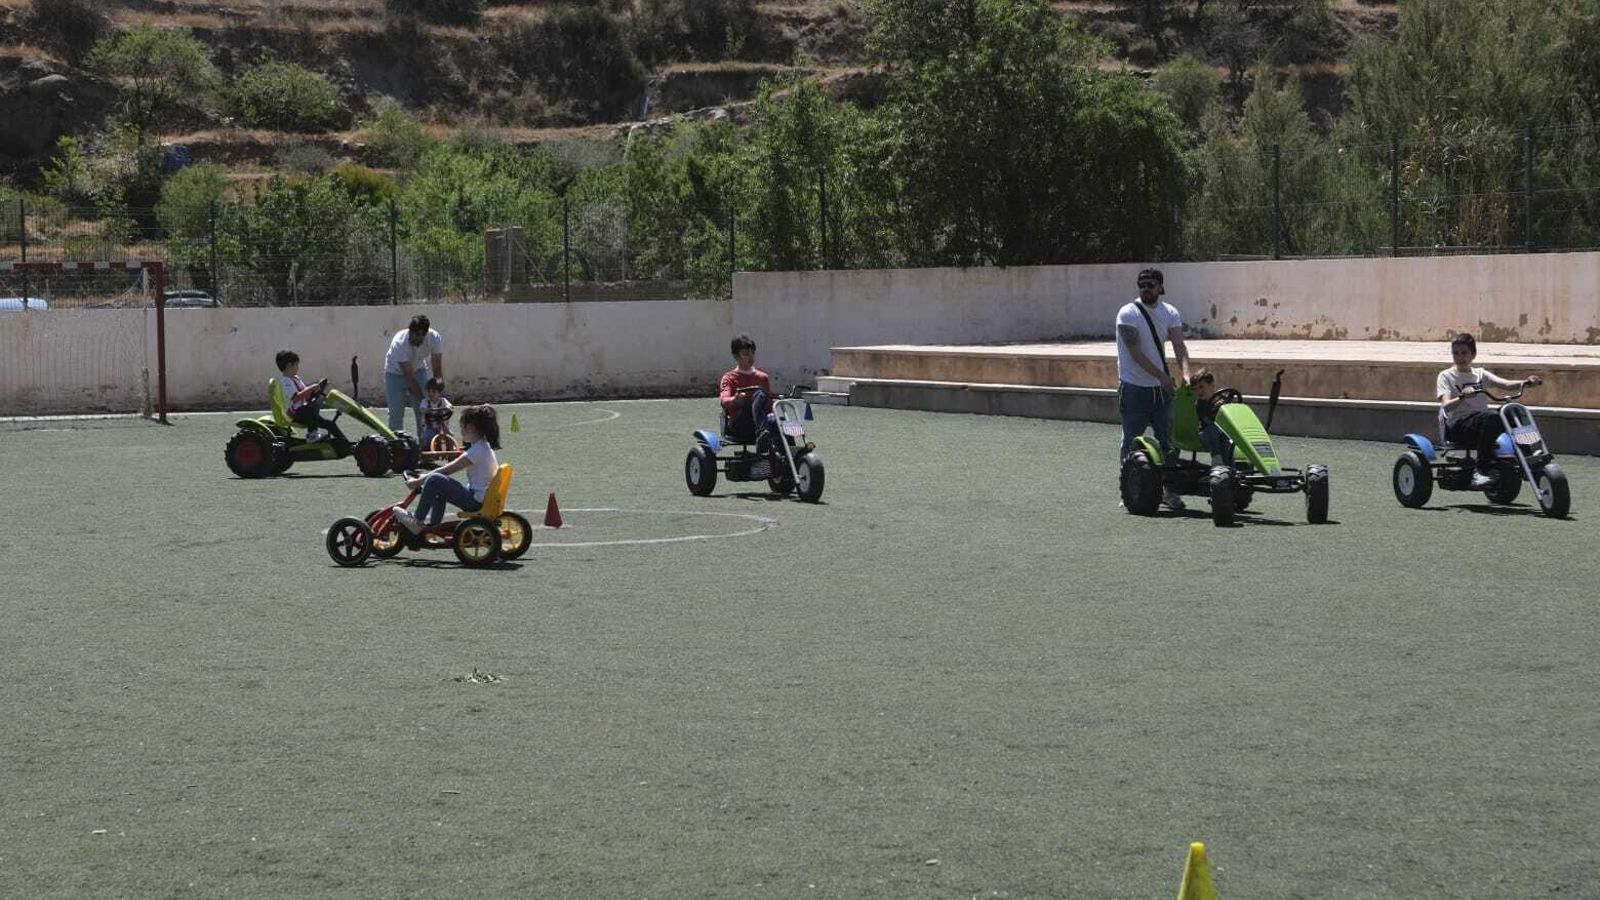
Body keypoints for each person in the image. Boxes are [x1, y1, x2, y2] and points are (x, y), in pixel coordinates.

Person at [1116, 267, 1192, 509]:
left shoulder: (1170, 312)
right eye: (1142, 285)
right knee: (1131, 441)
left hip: (1161, 391)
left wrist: (1186, 374)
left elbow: (1179, 346)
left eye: (1151, 284)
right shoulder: (1127, 313)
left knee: (1170, 442)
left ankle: (1169, 492)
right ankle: (1129, 491)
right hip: (1134, 388)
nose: (1146, 289)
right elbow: (1136, 353)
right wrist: (1162, 376)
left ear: (1161, 287)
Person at [1437, 333, 1543, 488]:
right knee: (1490, 417)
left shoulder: (1480, 374)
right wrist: (1462, 397)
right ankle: (1480, 471)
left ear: (1473, 354)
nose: (1460, 357)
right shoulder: (1446, 376)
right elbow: (1446, 406)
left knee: (1511, 411)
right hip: (1459, 426)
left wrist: (1526, 382)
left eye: (1464, 352)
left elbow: (1506, 385)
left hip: (1482, 422)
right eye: (1456, 353)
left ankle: (1528, 456)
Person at [391, 404, 501, 533]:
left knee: (434, 479)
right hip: (479, 497)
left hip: (475, 502)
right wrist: (424, 478)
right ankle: (433, 527)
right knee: (438, 487)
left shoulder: (476, 451)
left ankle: (417, 520)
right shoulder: (483, 447)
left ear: (470, 428)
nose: (461, 432)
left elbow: (447, 470)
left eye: (462, 427)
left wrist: (418, 481)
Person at [384, 315, 444, 437]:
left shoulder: (434, 338)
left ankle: (425, 442)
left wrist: (437, 395)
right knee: (396, 413)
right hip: (394, 373)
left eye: (420, 335)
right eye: (413, 334)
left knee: (423, 413)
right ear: (409, 331)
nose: (416, 338)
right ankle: (396, 444)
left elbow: (437, 370)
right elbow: (410, 381)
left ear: (425, 334)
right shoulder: (399, 343)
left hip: (418, 369)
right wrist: (425, 401)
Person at [274, 349, 347, 448]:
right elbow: (295, 398)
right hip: (296, 414)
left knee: (329, 424)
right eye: (296, 365)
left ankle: (345, 444)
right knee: (311, 409)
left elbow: (307, 394)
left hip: (305, 412)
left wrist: (319, 389)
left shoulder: (296, 379)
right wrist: (312, 388)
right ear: (289, 365)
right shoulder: (285, 381)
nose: (298, 368)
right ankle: (312, 436)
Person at [719, 334, 777, 445]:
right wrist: (734, 400)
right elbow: (724, 400)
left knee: (777, 421)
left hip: (763, 421)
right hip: (740, 425)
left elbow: (769, 406)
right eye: (746, 354)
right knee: (759, 393)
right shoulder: (729, 378)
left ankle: (792, 453)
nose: (750, 357)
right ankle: (761, 433)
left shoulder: (763, 377)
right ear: (736, 356)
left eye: (752, 353)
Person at [1189, 369, 1233, 465]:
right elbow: (1208, 421)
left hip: (1225, 433)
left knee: (1224, 438)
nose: (1199, 391)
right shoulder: (1200, 404)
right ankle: (1217, 458)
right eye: (1195, 389)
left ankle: (1228, 465)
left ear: (1212, 385)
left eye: (1201, 387)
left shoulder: (1224, 399)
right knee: (1214, 431)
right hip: (1206, 433)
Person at [418, 377, 454, 450]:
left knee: (451, 435)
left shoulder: (443, 401)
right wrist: (426, 410)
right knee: (426, 436)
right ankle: (425, 449)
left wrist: (448, 408)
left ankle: (451, 449)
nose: (430, 394)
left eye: (433, 392)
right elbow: (422, 409)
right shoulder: (425, 402)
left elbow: (450, 406)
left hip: (443, 427)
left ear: (440, 393)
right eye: (429, 391)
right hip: (430, 427)